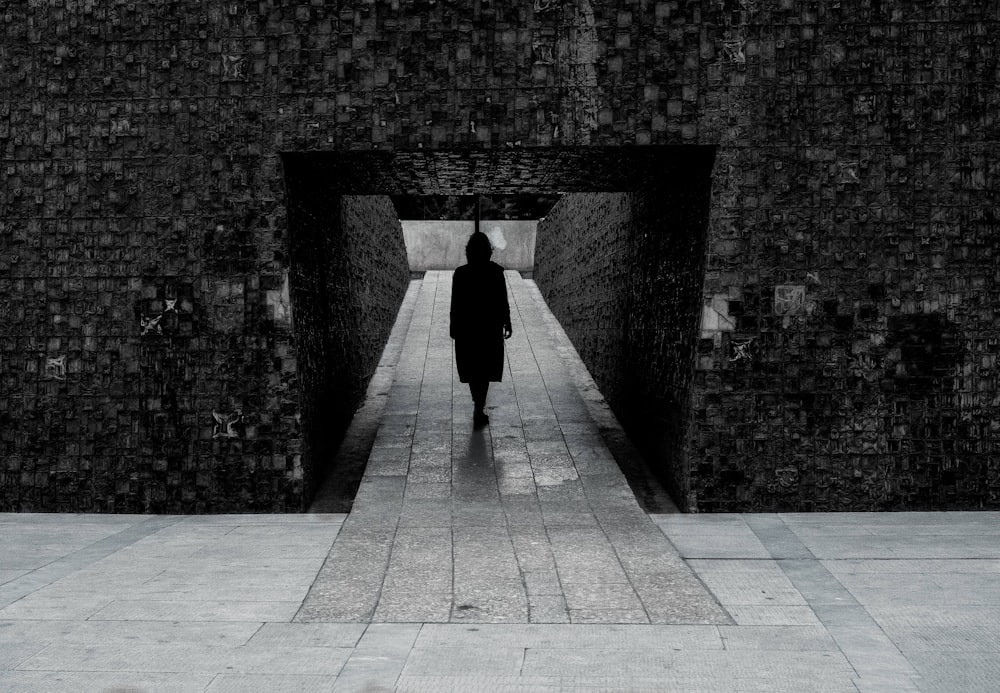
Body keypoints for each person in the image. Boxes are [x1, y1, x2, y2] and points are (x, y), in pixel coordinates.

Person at [450, 230, 512, 428]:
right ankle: (479, 404)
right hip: (489, 328)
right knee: (485, 368)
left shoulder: (460, 274)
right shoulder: (495, 272)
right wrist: (507, 321)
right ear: (488, 251)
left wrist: (454, 327)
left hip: (467, 329)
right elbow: (503, 300)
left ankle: (477, 403)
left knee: (471, 367)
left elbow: (456, 304)